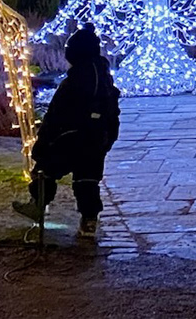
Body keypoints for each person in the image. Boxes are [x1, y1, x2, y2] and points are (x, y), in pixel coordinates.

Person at [13, 24, 120, 239]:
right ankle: (89, 220)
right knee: (87, 179)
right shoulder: (104, 81)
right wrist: (107, 140)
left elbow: (55, 117)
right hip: (96, 140)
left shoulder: (72, 83)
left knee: (46, 169)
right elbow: (112, 115)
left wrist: (42, 144)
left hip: (69, 138)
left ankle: (38, 204)